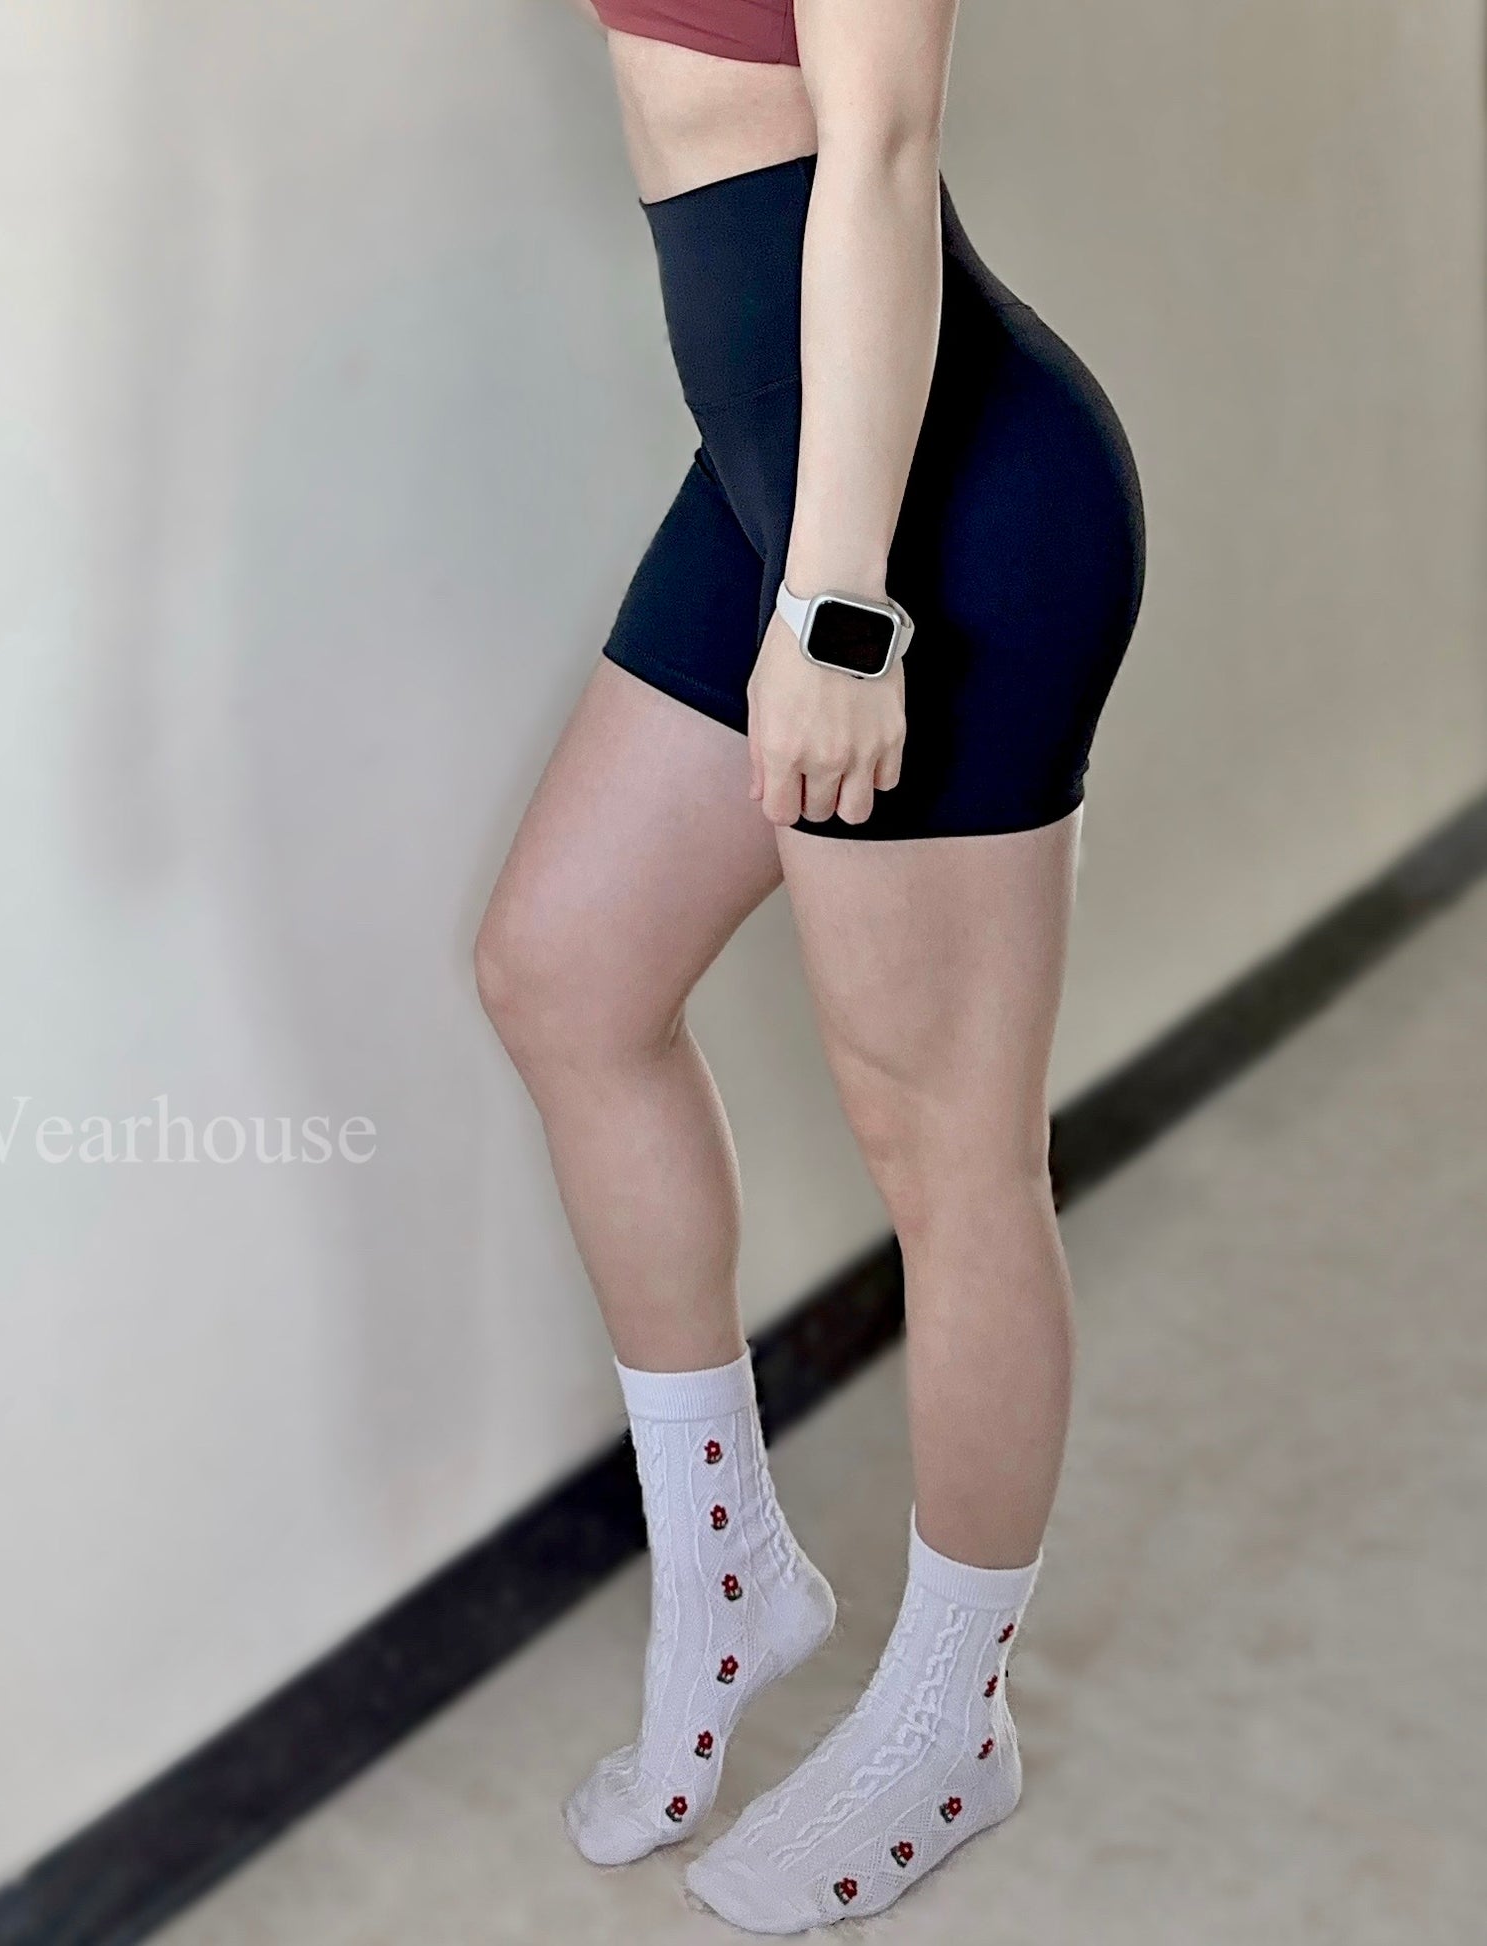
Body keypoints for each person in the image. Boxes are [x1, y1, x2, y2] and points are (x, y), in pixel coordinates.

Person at [473, 0, 1146, 1929]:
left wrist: (840, 612)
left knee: (949, 1149)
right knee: (564, 974)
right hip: (774, 477)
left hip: (927, 516)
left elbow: (879, 144)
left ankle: (949, 1715)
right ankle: (731, 1575)